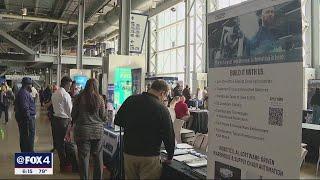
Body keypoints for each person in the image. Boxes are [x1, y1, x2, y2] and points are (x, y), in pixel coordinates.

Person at [114, 80, 175, 179]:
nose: (164, 98)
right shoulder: (162, 109)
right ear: (162, 93)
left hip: (129, 152)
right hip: (150, 155)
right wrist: (170, 155)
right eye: (165, 96)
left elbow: (118, 121)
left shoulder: (130, 100)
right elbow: (169, 135)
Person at [71, 79, 106, 180]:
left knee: (84, 159)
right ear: (96, 86)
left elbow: (73, 115)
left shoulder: (79, 98)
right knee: (98, 158)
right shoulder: (100, 99)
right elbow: (103, 116)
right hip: (97, 132)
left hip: (82, 132)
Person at [51, 76, 74, 172]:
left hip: (55, 120)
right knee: (67, 143)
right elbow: (70, 110)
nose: (70, 87)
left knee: (59, 144)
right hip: (64, 121)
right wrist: (72, 121)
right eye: (70, 85)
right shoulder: (65, 95)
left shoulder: (55, 93)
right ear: (67, 84)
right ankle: (67, 164)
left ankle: (62, 164)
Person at [14, 77, 36, 152]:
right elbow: (25, 108)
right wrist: (29, 119)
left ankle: (26, 153)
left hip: (24, 119)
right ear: (27, 85)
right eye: (30, 85)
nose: (31, 87)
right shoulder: (24, 93)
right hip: (27, 120)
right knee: (28, 138)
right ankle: (29, 154)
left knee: (24, 138)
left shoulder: (23, 92)